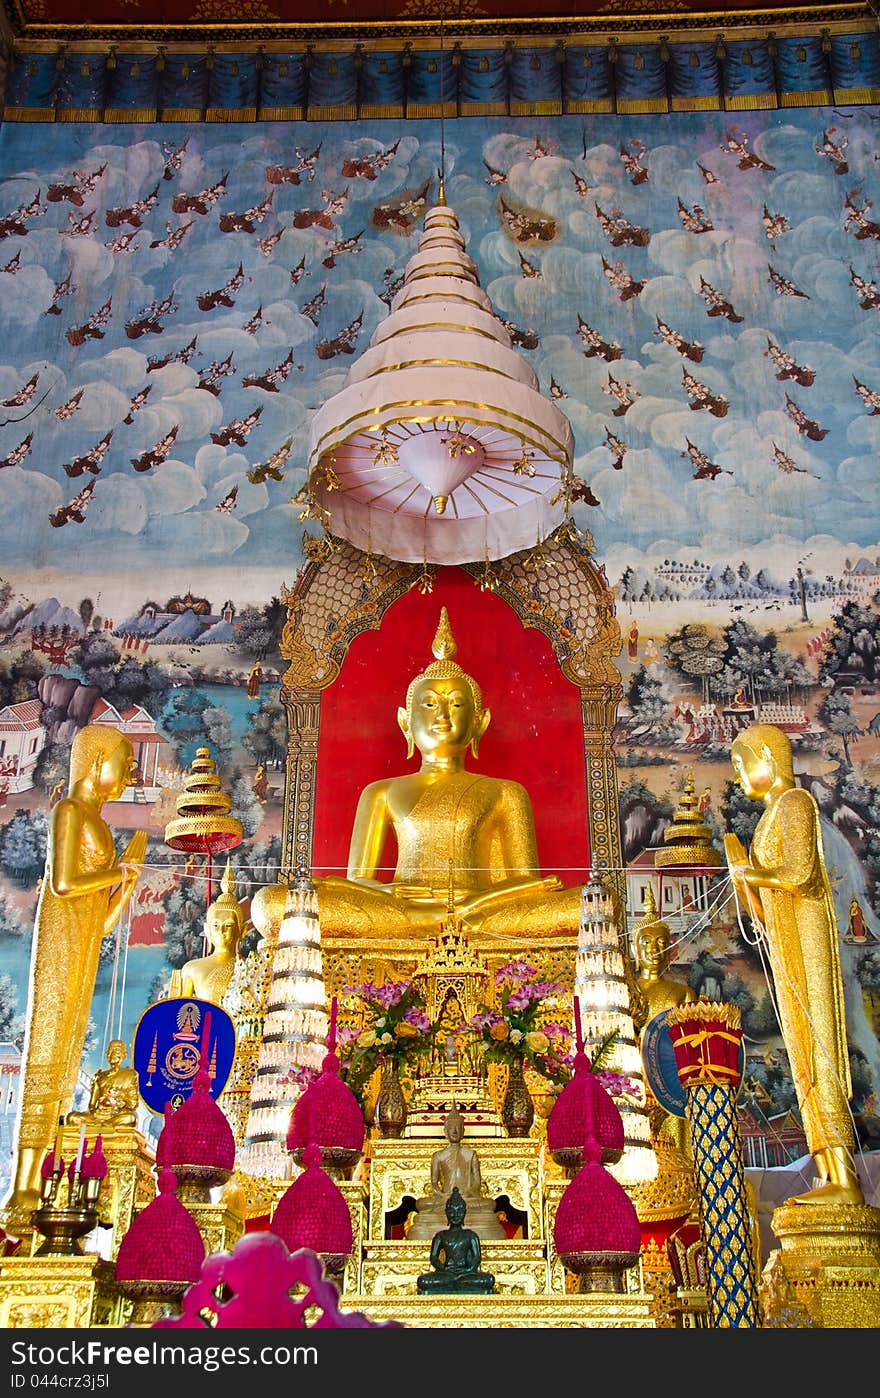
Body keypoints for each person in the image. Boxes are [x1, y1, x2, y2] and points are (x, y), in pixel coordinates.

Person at [249, 607, 581, 945]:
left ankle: (448, 920)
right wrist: (393, 893)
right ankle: (435, 920)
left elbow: (527, 885)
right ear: (405, 721)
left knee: (592, 907)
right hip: (399, 909)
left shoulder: (506, 793)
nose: (441, 715)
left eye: (455, 705)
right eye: (429, 704)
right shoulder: (381, 792)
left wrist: (469, 905)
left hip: (479, 912)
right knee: (272, 905)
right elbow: (359, 881)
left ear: (480, 721)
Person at [3, 724, 147, 1225]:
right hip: (60, 937)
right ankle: (22, 1187)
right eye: (124, 763)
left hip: (84, 938)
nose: (129, 773)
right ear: (95, 761)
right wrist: (118, 873)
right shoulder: (71, 811)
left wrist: (127, 882)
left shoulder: (100, 824)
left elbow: (102, 921)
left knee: (66, 1047)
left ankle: (44, 1177)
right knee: (48, 1041)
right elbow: (64, 883)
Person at [725, 722, 863, 1206]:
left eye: (744, 763)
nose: (740, 775)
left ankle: (845, 1180)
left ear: (768, 755)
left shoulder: (795, 804)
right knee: (802, 1056)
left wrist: (754, 872)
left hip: (808, 943)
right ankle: (827, 1174)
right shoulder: (765, 820)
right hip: (786, 947)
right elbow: (763, 910)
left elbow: (800, 873)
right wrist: (745, 881)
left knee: (821, 1049)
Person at [408, 1103, 506, 1241]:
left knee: (489, 1205)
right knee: (423, 1204)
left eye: (457, 1128)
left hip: (466, 1198)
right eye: (451, 1128)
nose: (454, 1131)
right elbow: (434, 1183)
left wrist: (468, 1192)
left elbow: (477, 1181)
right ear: (445, 1131)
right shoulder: (438, 1155)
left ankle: (458, 1212)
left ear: (463, 1131)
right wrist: (442, 1194)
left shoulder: (470, 1154)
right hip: (445, 1199)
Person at [168, 859, 245, 1004]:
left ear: (242, 931)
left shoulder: (250, 969)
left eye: (228, 925)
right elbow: (179, 1014)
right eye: (215, 925)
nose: (221, 931)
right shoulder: (192, 969)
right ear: (207, 930)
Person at [416, 1187, 496, 1294]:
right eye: (451, 1212)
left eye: (459, 1211)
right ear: (446, 1213)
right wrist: (443, 1269)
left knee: (489, 1280)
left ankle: (457, 1282)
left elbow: (477, 1257)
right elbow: (434, 1257)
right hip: (446, 1274)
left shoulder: (470, 1235)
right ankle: (456, 1282)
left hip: (466, 1274)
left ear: (464, 1213)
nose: (455, 1215)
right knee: (423, 1281)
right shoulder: (441, 1236)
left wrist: (469, 1269)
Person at [68, 1039, 139, 1128]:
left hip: (116, 1115)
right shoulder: (100, 1076)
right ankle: (103, 1126)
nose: (112, 1053)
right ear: (106, 1054)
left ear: (124, 1054)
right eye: (110, 1050)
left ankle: (105, 1126)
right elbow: (92, 1105)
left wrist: (118, 1101)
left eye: (116, 1050)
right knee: (72, 1117)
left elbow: (133, 1104)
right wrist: (98, 1108)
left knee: (130, 1118)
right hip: (98, 1115)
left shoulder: (130, 1075)